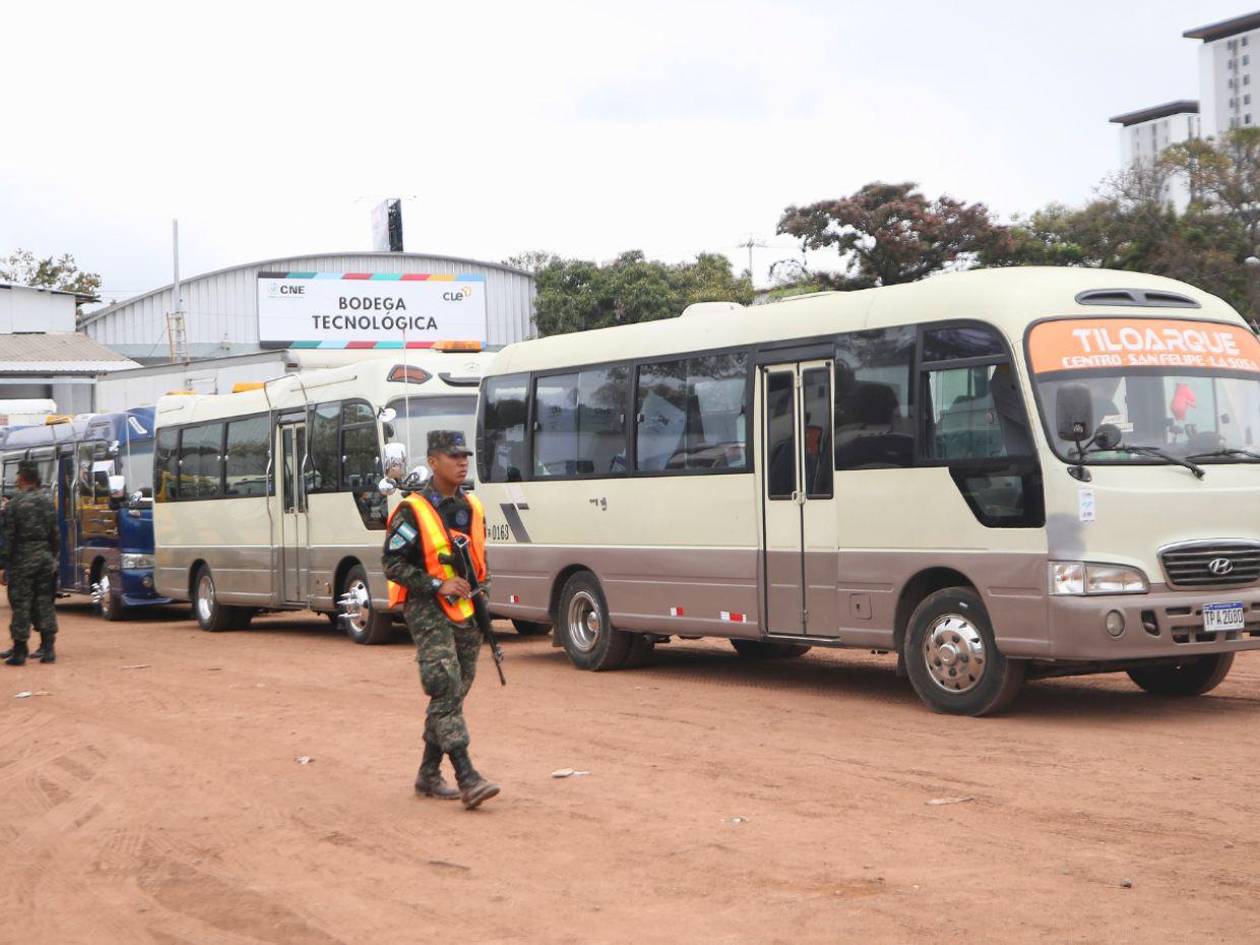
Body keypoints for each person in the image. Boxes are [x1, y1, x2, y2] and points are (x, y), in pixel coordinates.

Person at [382, 430, 499, 810]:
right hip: (427, 608)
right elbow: (392, 563)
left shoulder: (473, 507)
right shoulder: (412, 510)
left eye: (464, 455)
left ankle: (428, 774)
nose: (462, 462)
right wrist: (437, 584)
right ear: (433, 462)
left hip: (467, 610)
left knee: (455, 692)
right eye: (453, 456)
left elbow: (480, 561)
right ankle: (467, 775)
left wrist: (482, 596)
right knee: (444, 687)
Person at [0, 463, 60, 666]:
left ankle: (20, 650)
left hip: (22, 560)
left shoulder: (15, 504)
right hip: (45, 558)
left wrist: (3, 564)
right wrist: (51, 556)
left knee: (21, 604)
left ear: (23, 478)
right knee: (45, 602)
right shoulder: (47, 502)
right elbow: (55, 535)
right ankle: (48, 648)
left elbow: (8, 537)